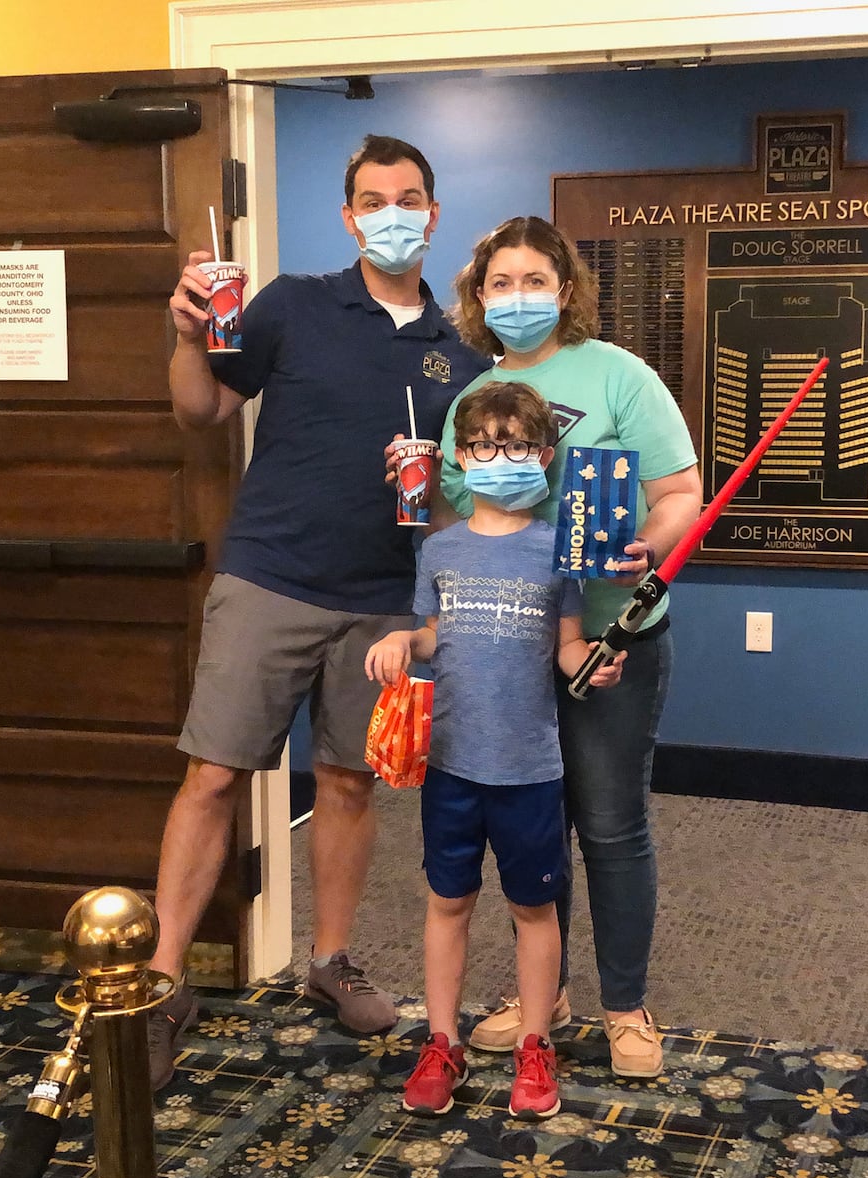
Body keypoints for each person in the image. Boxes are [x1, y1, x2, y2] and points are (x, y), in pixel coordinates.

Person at [146, 135, 490, 1091]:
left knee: (348, 783)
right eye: (373, 199)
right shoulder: (293, 303)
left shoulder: (460, 351)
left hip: (386, 600)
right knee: (213, 776)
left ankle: (330, 960)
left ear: (432, 212)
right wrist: (184, 335)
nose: (392, 212)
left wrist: (439, 505)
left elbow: (471, 497)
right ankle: (162, 980)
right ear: (349, 217)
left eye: (409, 197)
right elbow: (202, 411)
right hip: (270, 577)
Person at [439, 216, 703, 1078]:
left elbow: (679, 493)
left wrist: (651, 546)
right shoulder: (469, 401)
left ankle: (625, 1005)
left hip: (609, 637)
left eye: (533, 280)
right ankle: (540, 994)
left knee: (612, 823)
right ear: (481, 296)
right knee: (531, 828)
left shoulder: (621, 374)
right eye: (501, 282)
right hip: (508, 650)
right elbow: (454, 517)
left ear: (565, 287)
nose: (518, 297)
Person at [365, 380, 625, 1120]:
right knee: (447, 902)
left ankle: (535, 1044)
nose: (499, 457)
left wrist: (594, 664)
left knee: (533, 908)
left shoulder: (558, 551)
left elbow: (567, 648)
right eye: (484, 445)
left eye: (515, 445)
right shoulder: (439, 547)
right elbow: (429, 634)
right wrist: (397, 640)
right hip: (451, 762)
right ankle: (441, 1040)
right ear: (461, 455)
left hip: (529, 768)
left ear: (543, 456)